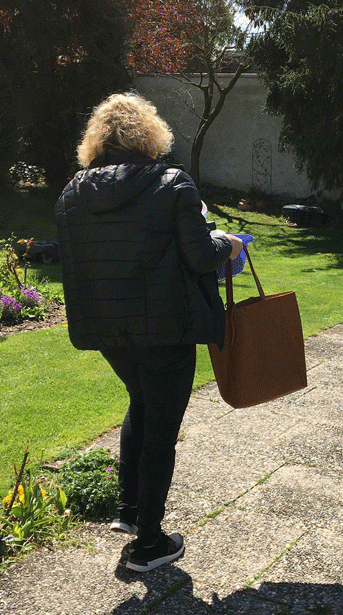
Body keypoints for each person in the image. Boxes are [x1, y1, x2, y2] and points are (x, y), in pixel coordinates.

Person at [55, 92, 244, 572]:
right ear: (150, 133)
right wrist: (229, 243)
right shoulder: (172, 182)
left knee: (141, 402)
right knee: (161, 429)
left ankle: (129, 510)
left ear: (96, 138)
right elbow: (200, 255)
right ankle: (149, 544)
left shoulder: (73, 192)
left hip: (108, 330)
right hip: (168, 327)